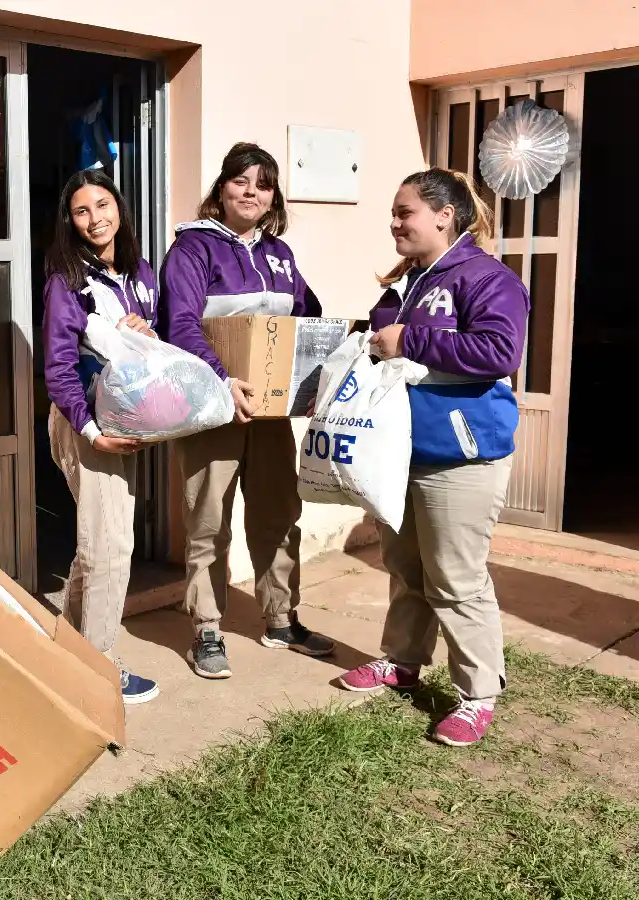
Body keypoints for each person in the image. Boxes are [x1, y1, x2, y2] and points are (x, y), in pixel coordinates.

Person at [338, 168, 528, 748]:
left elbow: (500, 350)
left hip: (460, 456)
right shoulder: (410, 281)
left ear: (444, 216)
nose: (394, 223)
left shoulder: (486, 278)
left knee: (456, 578)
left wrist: (408, 340)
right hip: (400, 453)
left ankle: (478, 694)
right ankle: (402, 661)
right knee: (406, 568)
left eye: (405, 213)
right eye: (394, 214)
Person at [158, 142, 335, 680]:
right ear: (222, 188)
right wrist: (222, 379)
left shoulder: (280, 254)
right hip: (214, 407)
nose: (252, 191)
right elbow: (180, 324)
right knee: (208, 521)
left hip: (270, 413)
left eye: (263, 184)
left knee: (279, 514)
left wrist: (316, 367)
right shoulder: (192, 250)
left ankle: (281, 618)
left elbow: (309, 315)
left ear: (273, 196)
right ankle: (207, 628)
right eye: (241, 180)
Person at [42, 168, 161, 705]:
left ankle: (67, 653)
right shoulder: (66, 281)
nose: (95, 219)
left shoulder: (141, 273)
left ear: (120, 208)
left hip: (125, 425)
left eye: (103, 205)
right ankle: (98, 670)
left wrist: (148, 332)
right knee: (110, 547)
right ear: (69, 221)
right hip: (84, 426)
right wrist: (91, 433)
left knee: (98, 543)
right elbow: (58, 368)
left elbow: (161, 349)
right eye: (81, 211)